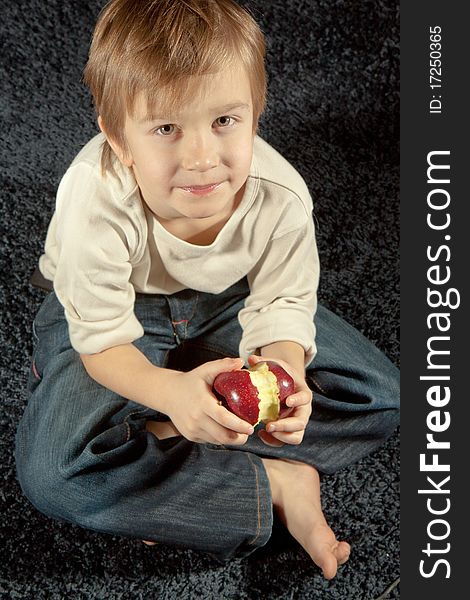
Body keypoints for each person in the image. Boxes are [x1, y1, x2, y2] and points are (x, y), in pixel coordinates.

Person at [15, 0, 399, 580]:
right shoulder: (93, 200)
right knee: (53, 471)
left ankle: (157, 452)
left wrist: (282, 379)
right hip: (119, 318)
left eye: (225, 121)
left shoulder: (281, 198)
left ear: (255, 114)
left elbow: (282, 306)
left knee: (382, 398)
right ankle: (274, 480)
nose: (201, 158)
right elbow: (100, 342)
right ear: (118, 140)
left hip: (226, 302)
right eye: (167, 129)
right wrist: (167, 391)